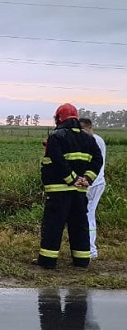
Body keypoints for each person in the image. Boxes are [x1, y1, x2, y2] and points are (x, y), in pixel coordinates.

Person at [35, 103, 103, 270]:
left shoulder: (57, 136)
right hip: (80, 192)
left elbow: (58, 161)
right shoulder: (89, 138)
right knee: (79, 226)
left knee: (53, 226)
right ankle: (81, 260)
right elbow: (98, 160)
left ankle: (47, 261)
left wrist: (72, 179)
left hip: (58, 191)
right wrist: (87, 179)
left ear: (59, 118)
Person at [79, 118, 106, 258]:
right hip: (93, 182)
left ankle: (91, 250)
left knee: (88, 215)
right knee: (86, 215)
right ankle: (86, 248)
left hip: (93, 183)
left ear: (89, 127)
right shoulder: (96, 139)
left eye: (83, 129)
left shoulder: (93, 141)